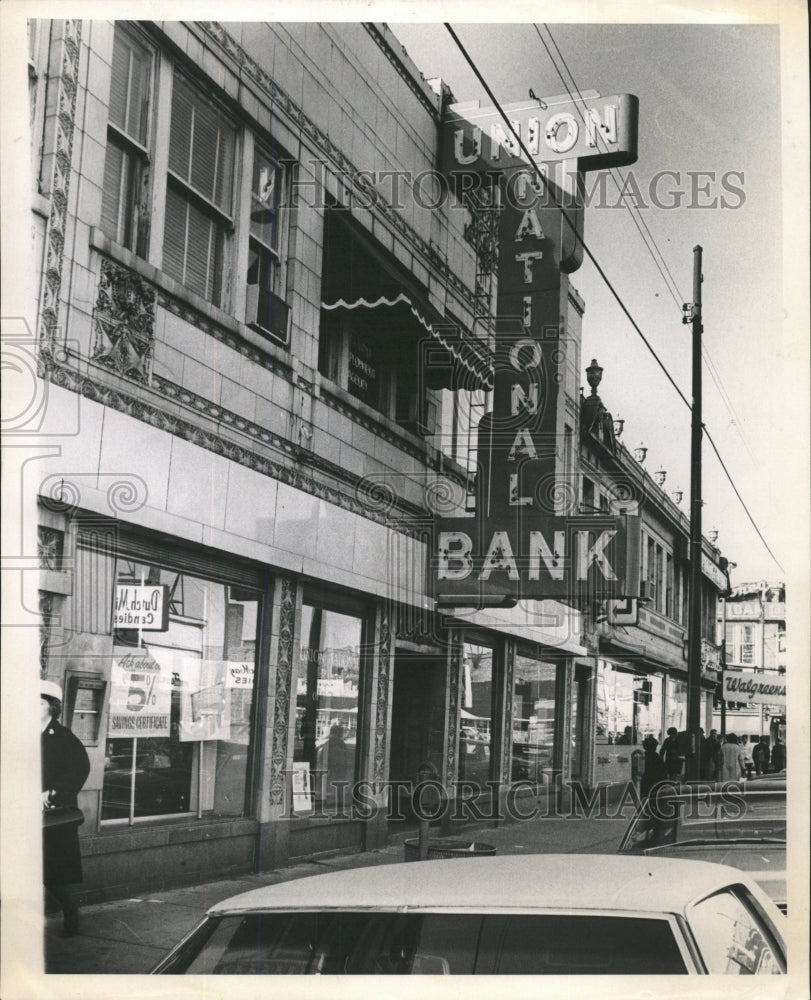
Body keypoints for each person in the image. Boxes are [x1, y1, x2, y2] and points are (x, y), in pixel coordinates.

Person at [41, 679, 91, 936]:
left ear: (52, 708)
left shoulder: (62, 736)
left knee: (53, 874)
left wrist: (53, 792)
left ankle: (71, 912)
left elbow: (80, 767)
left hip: (51, 815)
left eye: (39, 703)